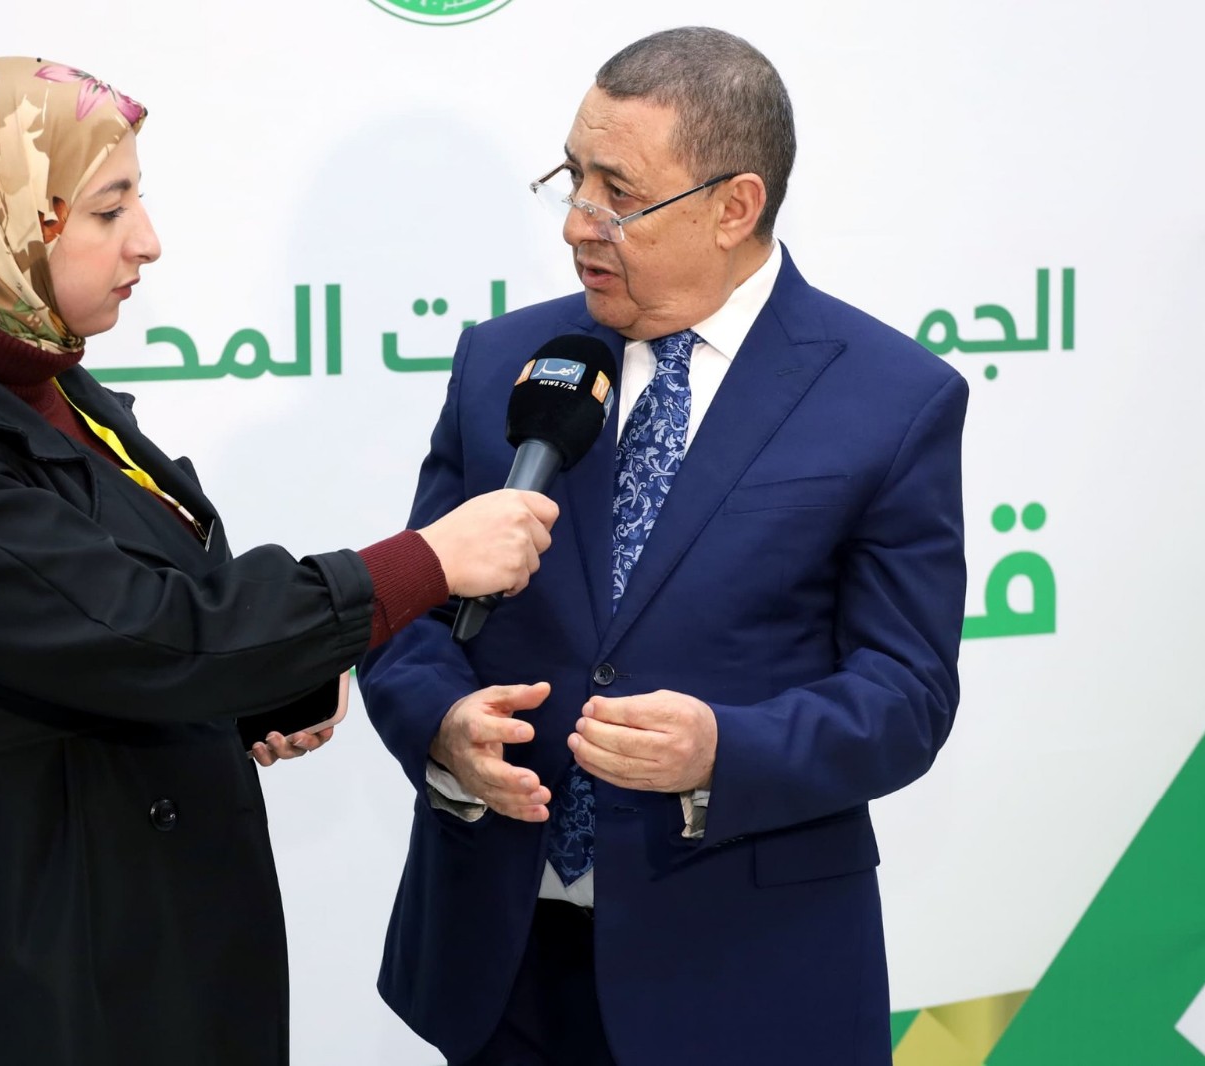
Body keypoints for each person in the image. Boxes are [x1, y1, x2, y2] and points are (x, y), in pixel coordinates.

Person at [0, 56, 556, 1066]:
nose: (147, 240)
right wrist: (423, 564)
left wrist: (252, 691)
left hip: (143, 936)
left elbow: (135, 621)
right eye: (109, 210)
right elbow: (144, 636)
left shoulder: (52, 393)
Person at [359, 26, 968, 1066]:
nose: (577, 223)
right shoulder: (506, 360)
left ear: (735, 206)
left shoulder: (891, 398)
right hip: (500, 963)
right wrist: (443, 725)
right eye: (572, 178)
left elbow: (905, 694)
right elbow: (415, 608)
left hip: (743, 974)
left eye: (618, 193)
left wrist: (724, 750)